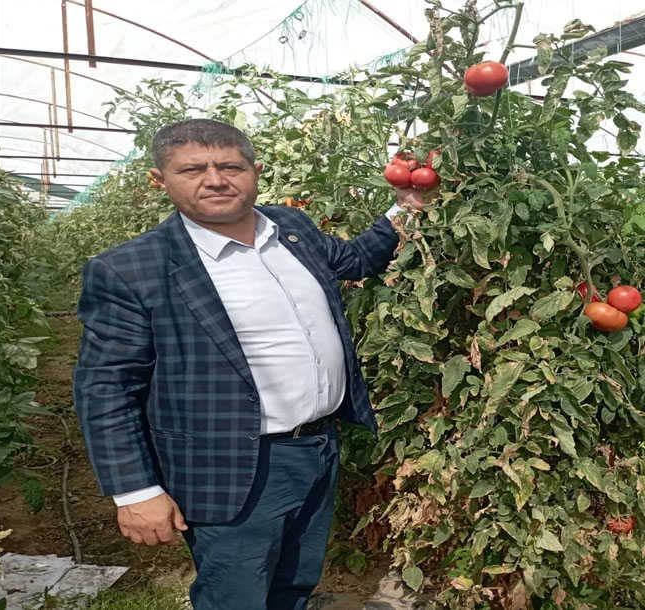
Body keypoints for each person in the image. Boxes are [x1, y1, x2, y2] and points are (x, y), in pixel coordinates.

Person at [73, 118, 423, 609]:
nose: (215, 180)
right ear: (160, 180)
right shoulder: (132, 268)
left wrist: (406, 208)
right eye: (192, 169)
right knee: (236, 594)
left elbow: (354, 261)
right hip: (231, 463)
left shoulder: (291, 228)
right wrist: (135, 491)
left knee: (294, 583)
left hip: (318, 446)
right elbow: (107, 388)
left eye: (230, 166)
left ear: (255, 171)